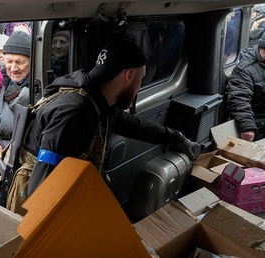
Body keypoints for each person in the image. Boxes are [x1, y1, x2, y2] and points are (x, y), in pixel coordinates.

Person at [21, 35, 200, 197]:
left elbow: (136, 127)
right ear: (129, 75)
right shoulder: (74, 112)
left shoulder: (100, 102)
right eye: (141, 79)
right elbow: (42, 185)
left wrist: (177, 138)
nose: (140, 86)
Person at [1, 31, 37, 108]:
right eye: (9, 61)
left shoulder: (40, 86)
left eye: (19, 62)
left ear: (32, 62)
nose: (13, 68)